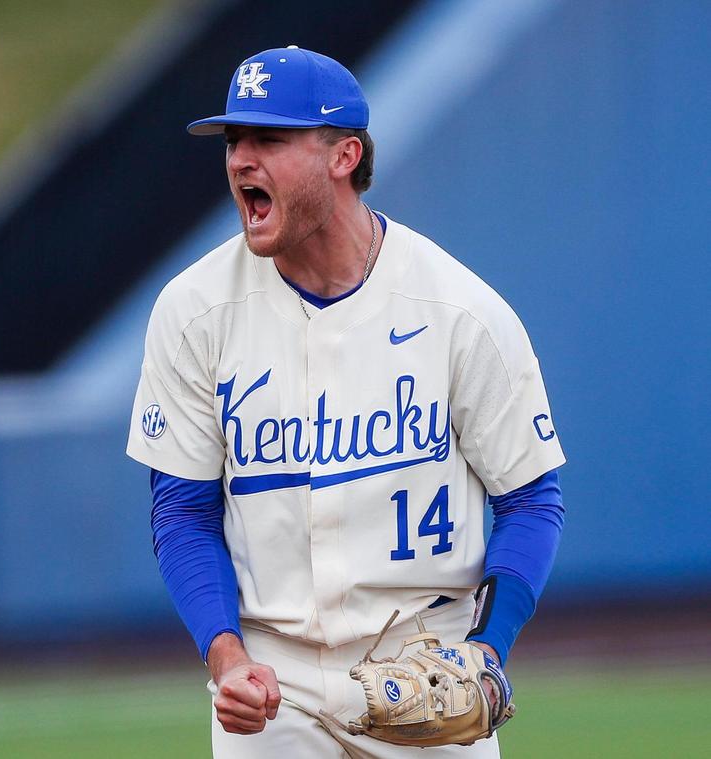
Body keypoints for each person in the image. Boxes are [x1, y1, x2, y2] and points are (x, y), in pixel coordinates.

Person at [126, 46, 565, 758]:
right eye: (233, 140)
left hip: (427, 665)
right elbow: (182, 511)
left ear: (344, 155)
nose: (241, 159)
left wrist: (487, 651)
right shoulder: (194, 310)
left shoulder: (460, 311)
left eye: (269, 138)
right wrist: (225, 655)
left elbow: (531, 499)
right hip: (274, 676)